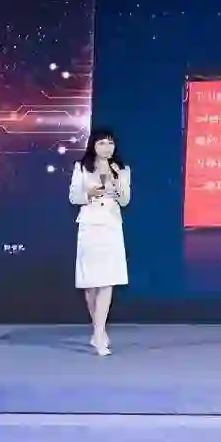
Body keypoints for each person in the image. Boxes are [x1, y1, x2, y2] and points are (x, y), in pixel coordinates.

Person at [68, 128, 131, 356]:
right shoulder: (82, 168)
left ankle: (98, 333)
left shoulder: (121, 169)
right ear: (93, 145)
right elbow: (73, 197)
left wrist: (117, 183)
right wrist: (90, 194)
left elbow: (125, 200)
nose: (107, 147)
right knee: (91, 283)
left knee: (107, 280)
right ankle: (98, 328)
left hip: (111, 225)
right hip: (89, 225)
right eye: (102, 143)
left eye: (110, 143)